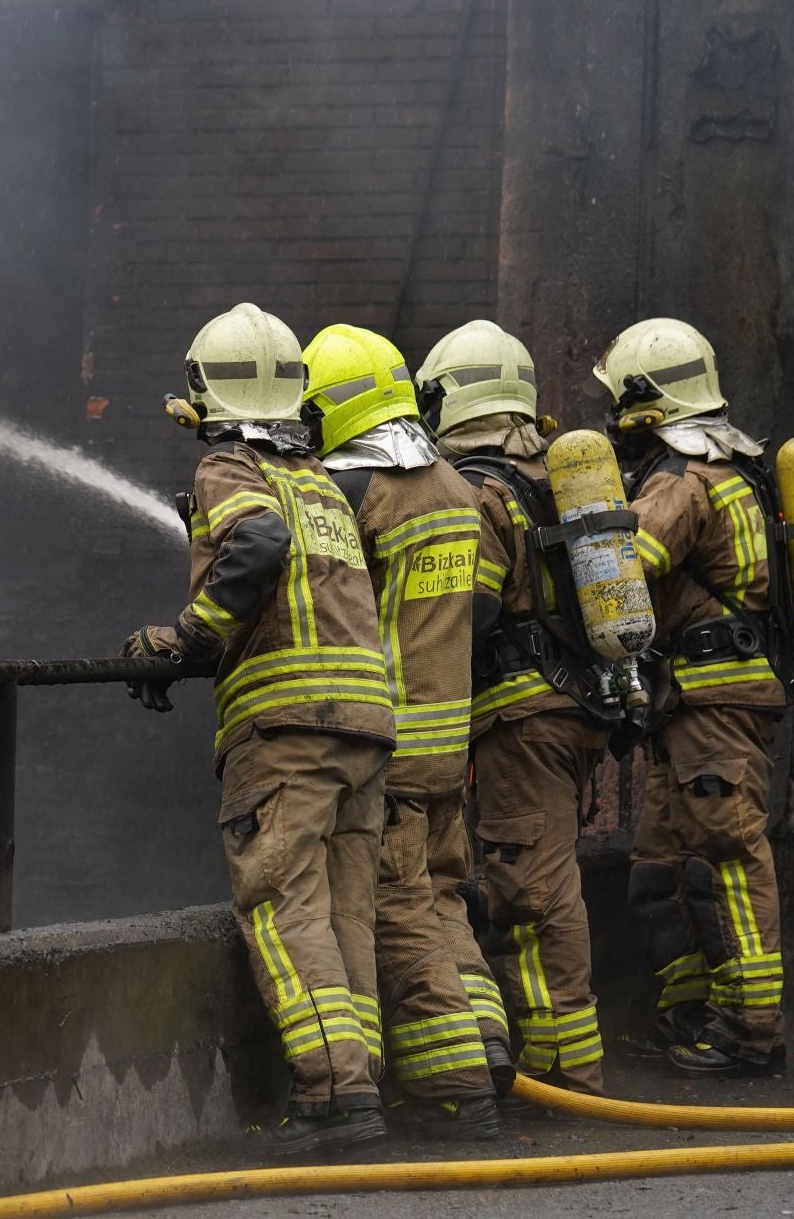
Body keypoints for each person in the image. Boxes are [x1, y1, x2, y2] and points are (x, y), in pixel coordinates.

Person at [122, 303, 397, 1153]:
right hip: (363, 730)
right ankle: (361, 1084)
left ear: (207, 391)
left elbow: (257, 547)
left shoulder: (229, 468)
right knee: (346, 912)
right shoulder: (320, 482)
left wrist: (184, 639)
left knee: (282, 905)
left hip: (289, 734)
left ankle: (331, 1094)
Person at [299, 323, 500, 1140]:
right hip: (449, 739)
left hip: (389, 746)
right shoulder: (452, 484)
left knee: (397, 908)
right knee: (443, 895)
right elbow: (480, 607)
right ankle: (488, 1043)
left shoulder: (357, 493)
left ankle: (457, 1089)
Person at [416, 319, 618, 1097]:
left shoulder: (480, 492)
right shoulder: (550, 475)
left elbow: (468, 609)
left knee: (530, 889)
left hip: (521, 717)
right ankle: (563, 1061)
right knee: (547, 879)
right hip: (570, 704)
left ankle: (564, 1070)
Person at [594, 316, 789, 1077]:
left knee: (728, 856)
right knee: (662, 866)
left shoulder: (683, 479)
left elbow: (624, 568)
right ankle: (690, 1014)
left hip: (714, 703)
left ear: (645, 402)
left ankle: (749, 1030)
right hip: (694, 706)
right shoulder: (737, 466)